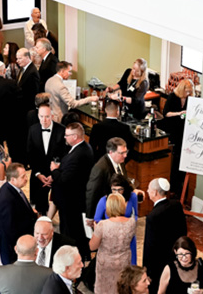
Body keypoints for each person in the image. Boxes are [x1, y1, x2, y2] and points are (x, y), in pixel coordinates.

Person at [88, 194, 136, 294]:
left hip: (105, 264)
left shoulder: (102, 225)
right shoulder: (131, 222)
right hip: (124, 263)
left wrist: (95, 229)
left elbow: (92, 247)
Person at [50, 122, 94, 251]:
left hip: (70, 201)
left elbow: (65, 180)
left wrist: (54, 170)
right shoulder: (83, 148)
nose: (65, 137)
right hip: (71, 199)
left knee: (70, 231)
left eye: (67, 135)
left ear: (75, 137)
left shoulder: (78, 154)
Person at [143, 178, 188, 294]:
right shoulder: (176, 205)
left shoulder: (152, 217)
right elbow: (183, 231)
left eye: (149, 189)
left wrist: (146, 269)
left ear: (155, 193)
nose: (147, 191)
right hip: (174, 256)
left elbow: (149, 246)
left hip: (158, 262)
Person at [25, 102, 65, 215]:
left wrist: (54, 174)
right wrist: (38, 174)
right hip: (39, 172)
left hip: (57, 173)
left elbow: (64, 155)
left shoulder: (61, 130)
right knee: (39, 205)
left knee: (61, 202)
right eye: (41, 116)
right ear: (38, 116)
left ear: (52, 116)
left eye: (47, 116)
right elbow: (30, 153)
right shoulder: (33, 130)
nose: (44, 120)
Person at [0, 163, 37, 266]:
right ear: (12, 179)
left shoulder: (13, 189)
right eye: (23, 177)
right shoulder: (7, 198)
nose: (26, 179)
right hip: (12, 248)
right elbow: (9, 228)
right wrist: (19, 248)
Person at [85, 137, 128, 219]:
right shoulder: (100, 168)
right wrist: (90, 216)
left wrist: (133, 189)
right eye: (122, 153)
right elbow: (92, 192)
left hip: (120, 209)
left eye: (126, 152)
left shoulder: (120, 160)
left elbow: (124, 178)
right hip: (107, 212)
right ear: (111, 152)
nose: (125, 155)